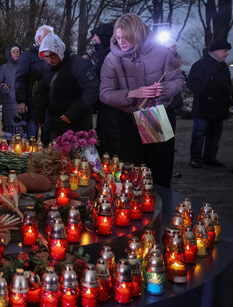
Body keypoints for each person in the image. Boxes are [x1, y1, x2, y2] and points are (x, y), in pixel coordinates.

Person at [100, 13, 184, 188]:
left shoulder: (162, 53)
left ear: (138, 34)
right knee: (131, 167)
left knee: (158, 168)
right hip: (127, 116)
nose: (121, 42)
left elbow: (177, 81)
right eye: (118, 37)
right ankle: (132, 205)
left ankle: (160, 206)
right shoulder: (111, 59)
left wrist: (165, 89)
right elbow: (105, 94)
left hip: (155, 115)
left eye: (126, 38)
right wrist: (132, 93)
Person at [34, 33, 99, 138]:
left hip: (77, 123)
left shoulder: (76, 64)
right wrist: (39, 115)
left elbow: (92, 89)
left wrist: (73, 113)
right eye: (46, 57)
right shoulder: (47, 68)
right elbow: (43, 92)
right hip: (56, 124)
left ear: (59, 51)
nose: (49, 60)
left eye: (52, 55)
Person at [186, 39, 232, 168]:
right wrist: (206, 95)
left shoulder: (223, 67)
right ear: (216, 51)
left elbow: (227, 85)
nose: (227, 53)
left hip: (220, 107)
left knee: (215, 135)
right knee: (199, 134)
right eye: (225, 50)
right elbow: (192, 83)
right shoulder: (200, 65)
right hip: (204, 107)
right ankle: (195, 158)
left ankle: (209, 157)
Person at [15, 25, 53, 142]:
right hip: (33, 103)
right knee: (32, 138)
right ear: (39, 38)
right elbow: (20, 78)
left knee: (49, 137)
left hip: (49, 103)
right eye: (48, 36)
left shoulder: (52, 56)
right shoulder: (28, 56)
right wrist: (21, 101)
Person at [90, 22, 120, 157]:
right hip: (107, 102)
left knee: (111, 137)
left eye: (95, 36)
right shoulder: (104, 53)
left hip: (113, 105)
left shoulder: (110, 54)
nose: (93, 39)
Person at [0, 44, 26, 138]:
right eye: (13, 52)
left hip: (22, 102)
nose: (16, 54)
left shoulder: (24, 66)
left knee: (22, 127)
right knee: (10, 130)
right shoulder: (4, 68)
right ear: (10, 54)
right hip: (9, 102)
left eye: (17, 52)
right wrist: (4, 89)